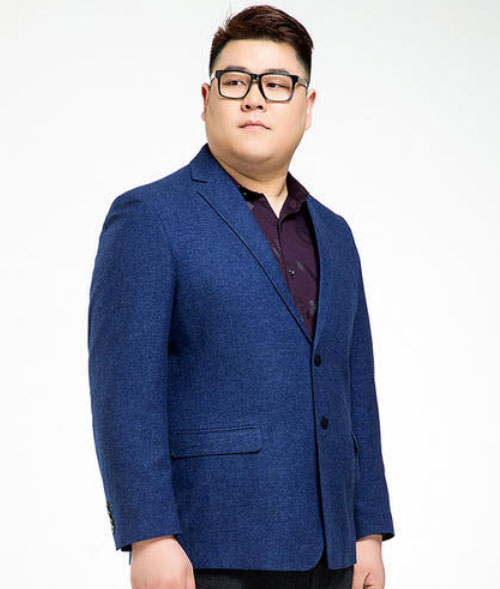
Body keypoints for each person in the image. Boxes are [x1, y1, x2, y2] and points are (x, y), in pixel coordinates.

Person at [87, 5, 395, 589]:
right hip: (211, 547)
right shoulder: (149, 217)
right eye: (235, 82)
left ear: (307, 107)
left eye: (277, 84)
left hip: (335, 553)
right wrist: (148, 535)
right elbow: (124, 393)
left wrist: (369, 530)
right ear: (207, 99)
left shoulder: (336, 234)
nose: (255, 99)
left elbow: (356, 389)